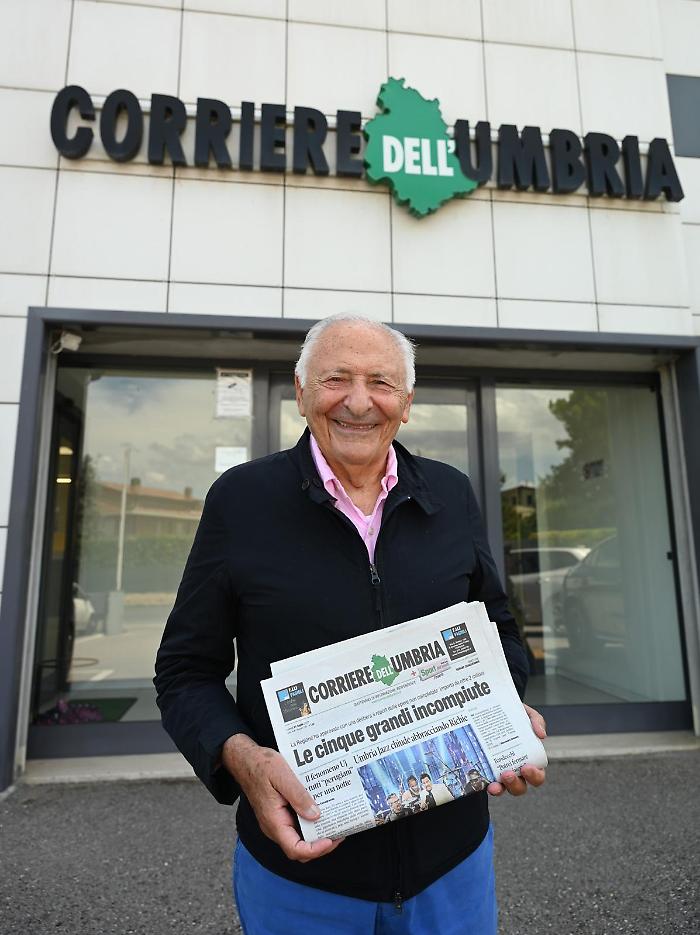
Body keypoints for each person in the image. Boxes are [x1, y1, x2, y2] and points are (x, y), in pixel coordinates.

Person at [154, 313, 546, 935]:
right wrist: (241, 759)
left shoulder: (450, 494)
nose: (359, 402)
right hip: (303, 875)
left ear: (407, 403)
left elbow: (498, 629)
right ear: (302, 391)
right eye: (336, 379)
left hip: (453, 865)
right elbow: (184, 671)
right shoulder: (241, 500)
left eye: (381, 383)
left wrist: (502, 705)